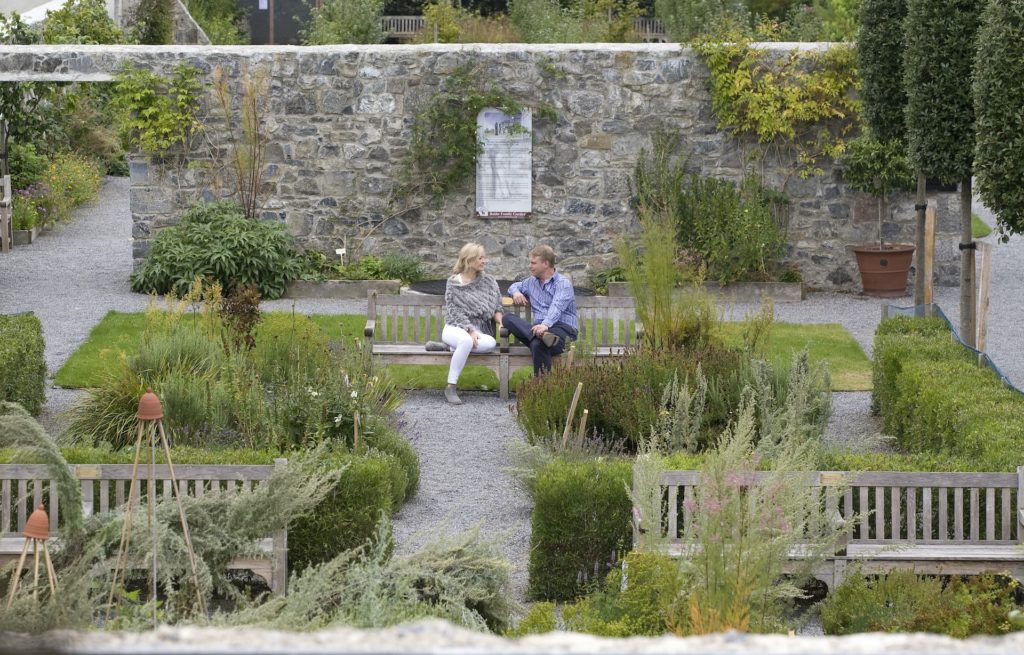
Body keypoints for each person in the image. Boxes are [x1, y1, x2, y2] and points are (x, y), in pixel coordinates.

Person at [425, 243, 504, 405]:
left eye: (484, 257)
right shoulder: (454, 282)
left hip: (479, 330)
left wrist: (501, 323)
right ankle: (451, 387)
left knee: (490, 343)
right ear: (469, 260)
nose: (484, 261)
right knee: (466, 340)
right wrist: (469, 329)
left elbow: (497, 308)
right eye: (480, 258)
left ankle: (449, 348)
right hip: (455, 327)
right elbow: (454, 311)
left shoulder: (489, 282)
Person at [502, 245, 578, 376]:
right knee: (507, 318)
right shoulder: (531, 282)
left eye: (533, 263)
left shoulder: (562, 283)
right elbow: (514, 286)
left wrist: (545, 325)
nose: (529, 266)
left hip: (563, 330)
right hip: (539, 330)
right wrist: (516, 293)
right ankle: (541, 337)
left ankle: (541, 384)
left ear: (545, 264)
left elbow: (557, 307)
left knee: (537, 345)